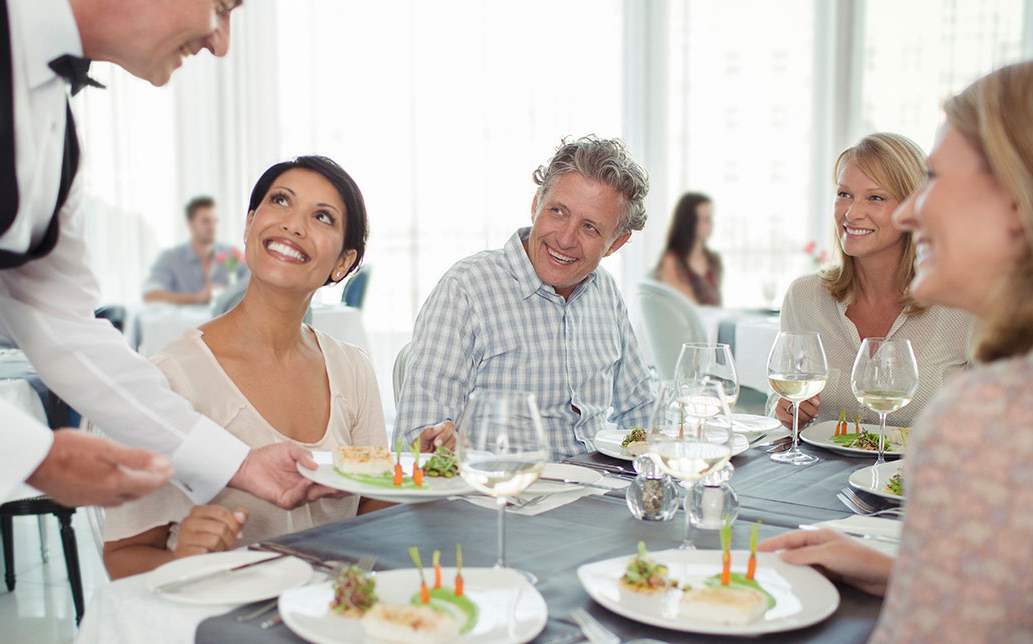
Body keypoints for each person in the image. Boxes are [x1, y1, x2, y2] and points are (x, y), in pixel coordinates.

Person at [0, 1, 332, 640]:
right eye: (220, 6)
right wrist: (31, 454)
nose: (221, 42)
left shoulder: (54, 127)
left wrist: (239, 463)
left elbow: (62, 320)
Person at [761, 61, 1033, 641]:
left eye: (938, 180)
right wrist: (896, 570)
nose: (911, 213)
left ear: (1015, 201)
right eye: (844, 194)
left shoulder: (994, 410)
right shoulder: (809, 296)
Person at [104, 156, 389, 579]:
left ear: (343, 264)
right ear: (251, 222)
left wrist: (424, 471)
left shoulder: (353, 369)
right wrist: (181, 561)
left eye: (322, 216)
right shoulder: (171, 378)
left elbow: (377, 515)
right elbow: (122, 558)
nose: (293, 225)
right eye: (280, 201)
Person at [395, 136, 658, 460]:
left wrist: (634, 449)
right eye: (558, 211)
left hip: (600, 494)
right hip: (499, 497)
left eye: (589, 227)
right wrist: (442, 448)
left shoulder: (607, 293)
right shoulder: (466, 290)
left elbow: (640, 413)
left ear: (617, 242)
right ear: (536, 205)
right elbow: (414, 440)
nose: (565, 238)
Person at [772, 133, 975, 429]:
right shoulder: (805, 297)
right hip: (822, 474)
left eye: (876, 198)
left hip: (921, 474)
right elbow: (783, 401)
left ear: (913, 208)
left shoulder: (961, 304)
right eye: (844, 194)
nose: (852, 213)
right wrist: (787, 411)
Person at [143, 196, 246, 305]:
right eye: (205, 221)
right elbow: (150, 294)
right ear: (190, 224)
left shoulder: (233, 254)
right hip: (185, 322)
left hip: (227, 321)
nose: (212, 227)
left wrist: (226, 293)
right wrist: (197, 297)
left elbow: (255, 286)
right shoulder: (170, 258)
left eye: (215, 221)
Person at [653, 192, 723, 306]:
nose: (711, 223)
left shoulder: (714, 260)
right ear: (689, 222)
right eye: (706, 219)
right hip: (689, 323)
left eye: (711, 218)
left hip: (712, 321)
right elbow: (687, 308)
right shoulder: (670, 261)